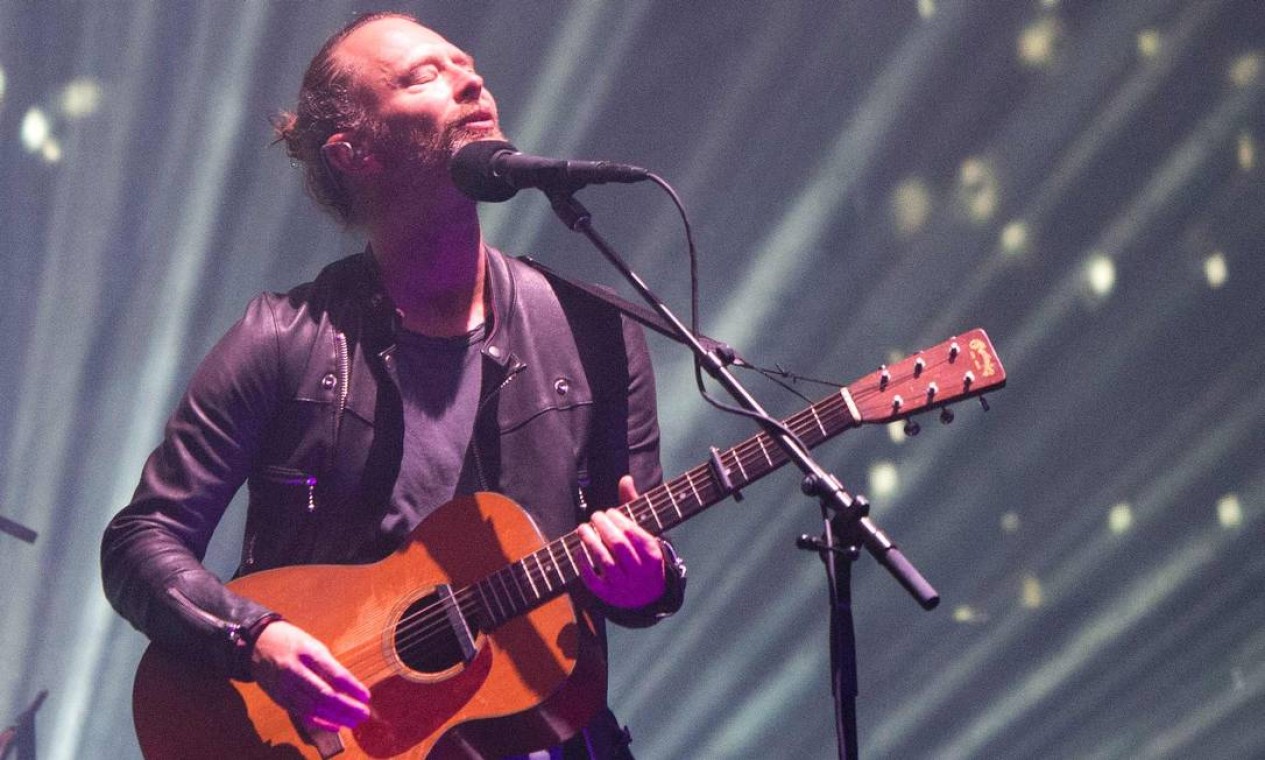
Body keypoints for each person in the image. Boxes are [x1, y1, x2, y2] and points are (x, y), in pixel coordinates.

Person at [101, 11, 685, 759]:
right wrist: (256, 638)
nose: (471, 80)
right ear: (355, 153)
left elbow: (637, 575)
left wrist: (644, 583)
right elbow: (139, 543)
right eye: (423, 76)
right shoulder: (281, 338)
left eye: (465, 64)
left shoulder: (593, 331)